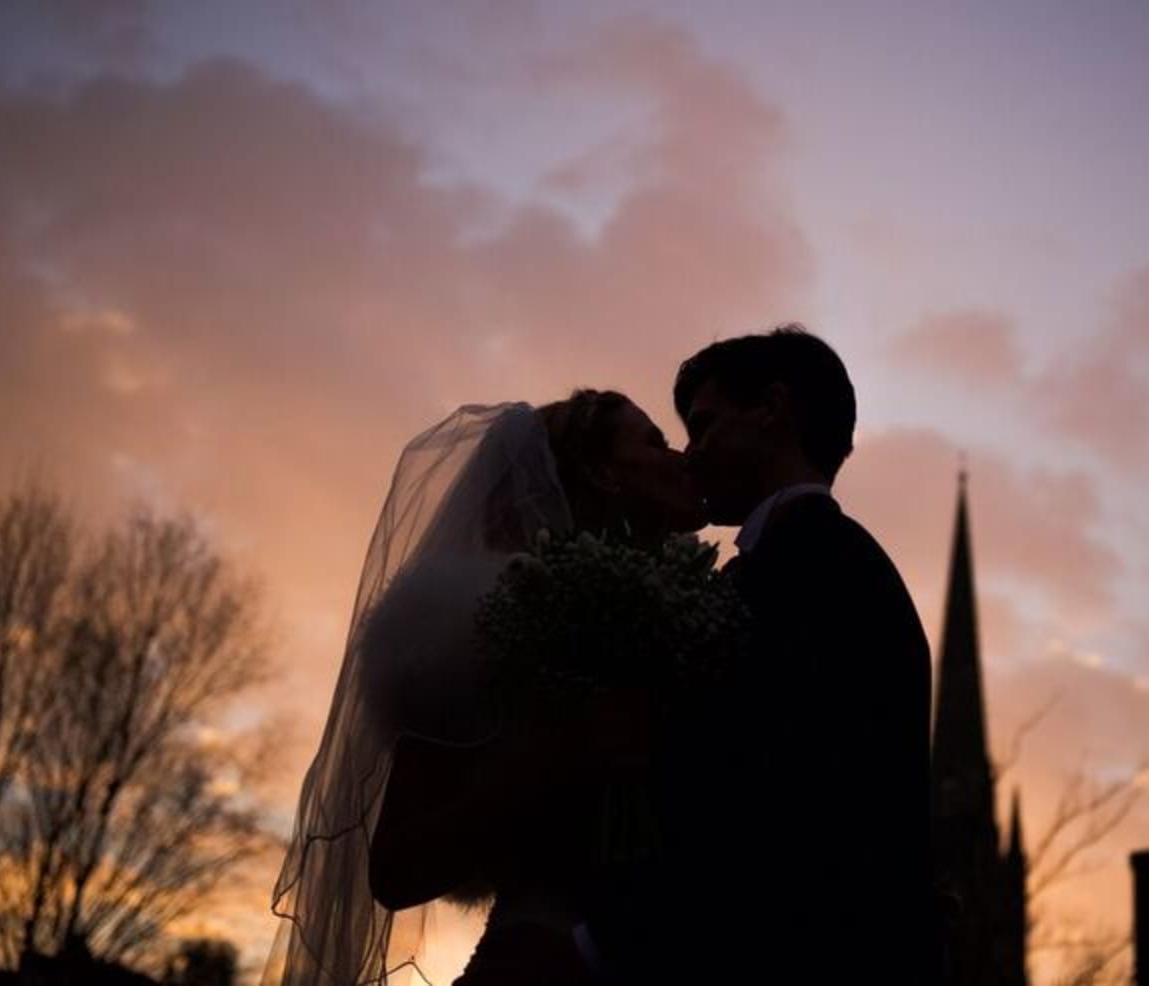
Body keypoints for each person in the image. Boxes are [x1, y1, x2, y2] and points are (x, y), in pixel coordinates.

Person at [264, 391, 705, 986]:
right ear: (603, 472)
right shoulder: (490, 628)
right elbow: (397, 869)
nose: (681, 457)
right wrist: (553, 755)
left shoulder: (690, 615)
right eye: (654, 443)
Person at [583, 325, 937, 985]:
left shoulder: (809, 572)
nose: (690, 455)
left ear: (771, 411)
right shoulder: (834, 564)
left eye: (705, 424)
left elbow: (748, 807)